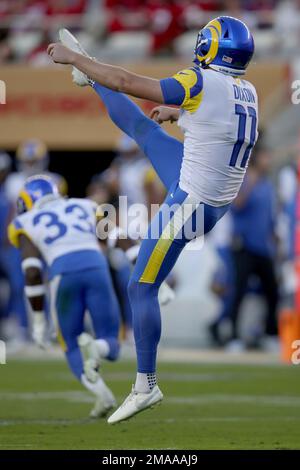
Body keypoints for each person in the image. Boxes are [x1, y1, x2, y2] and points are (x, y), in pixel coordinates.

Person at [47, 16, 258, 423]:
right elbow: (223, 125)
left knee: (140, 286)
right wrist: (178, 116)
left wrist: (73, 56)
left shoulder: (201, 81)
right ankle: (90, 76)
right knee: (142, 128)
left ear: (213, 47)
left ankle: (146, 384)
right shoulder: (246, 90)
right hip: (208, 190)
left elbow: (127, 82)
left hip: (191, 201)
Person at [8, 175, 120, 418]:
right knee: (112, 343)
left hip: (63, 274)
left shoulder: (24, 221)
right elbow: (114, 237)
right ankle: (98, 348)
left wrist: (38, 320)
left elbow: (33, 272)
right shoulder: (86, 205)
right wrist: (135, 257)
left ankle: (102, 393)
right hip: (97, 267)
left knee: (70, 344)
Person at [227, 147, 279, 351]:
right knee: (238, 292)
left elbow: (270, 217)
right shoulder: (245, 180)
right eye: (266, 156)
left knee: (272, 292)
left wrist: (276, 242)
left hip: (263, 248)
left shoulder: (267, 185)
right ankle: (233, 337)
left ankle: (270, 334)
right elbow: (237, 205)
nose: (269, 160)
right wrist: (250, 183)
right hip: (244, 246)